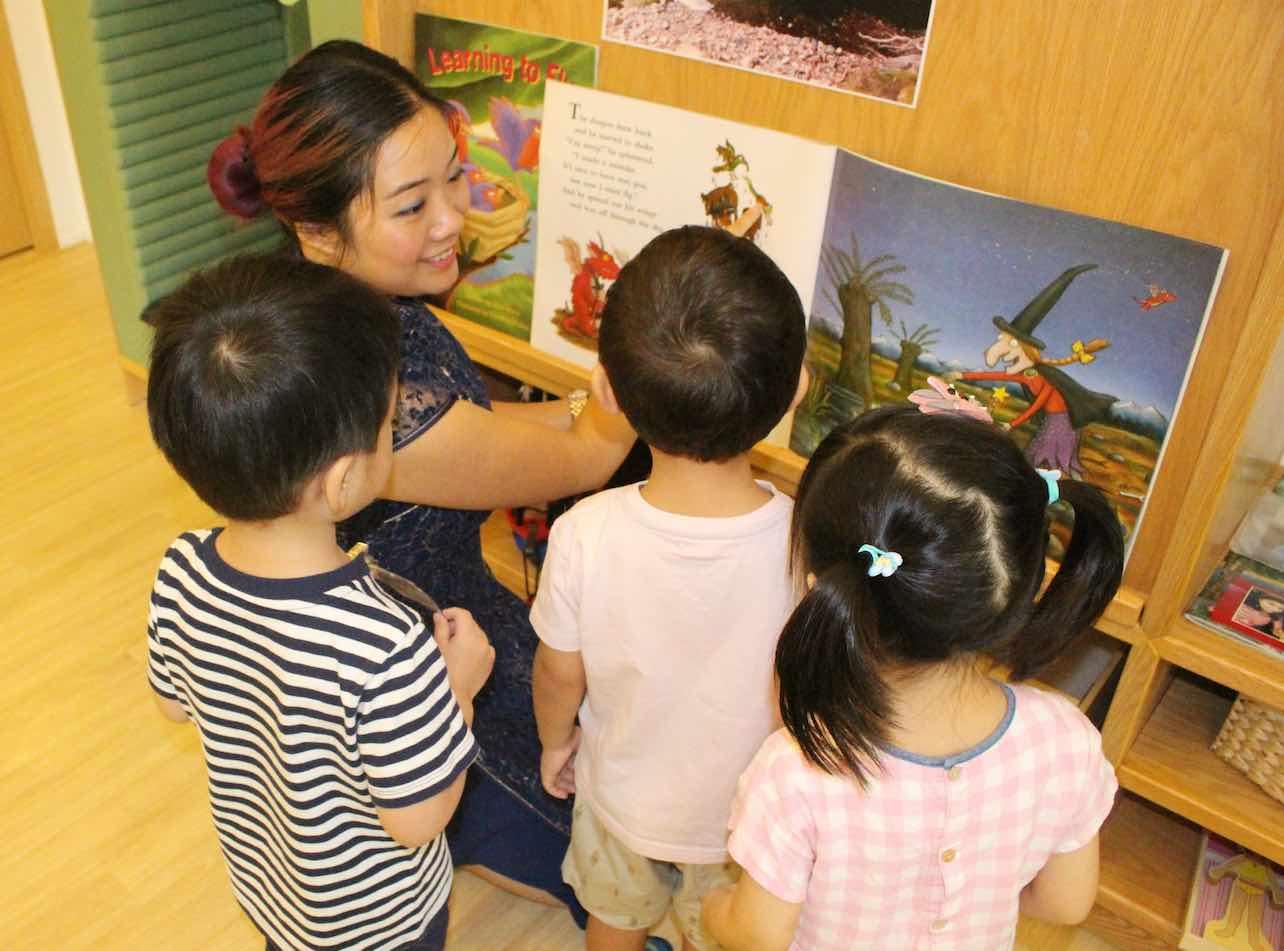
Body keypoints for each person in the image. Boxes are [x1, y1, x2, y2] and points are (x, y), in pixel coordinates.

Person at [206, 40, 637, 920]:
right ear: (318, 232)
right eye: (412, 204)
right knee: (617, 865)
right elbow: (578, 458)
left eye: (453, 175)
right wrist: (637, 395)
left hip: (446, 612)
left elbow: (471, 429)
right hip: (425, 668)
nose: (452, 217)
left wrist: (566, 412)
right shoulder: (365, 380)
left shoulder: (334, 311)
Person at [144, 255, 496, 950]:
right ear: (341, 482)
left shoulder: (180, 569)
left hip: (273, 892)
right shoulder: (386, 643)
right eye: (389, 424)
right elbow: (420, 817)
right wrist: (458, 689)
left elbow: (174, 703)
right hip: (382, 923)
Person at [702, 405, 1126, 951]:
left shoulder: (799, 769)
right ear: (1018, 591)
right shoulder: (1067, 740)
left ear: (822, 591)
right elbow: (1066, 903)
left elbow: (756, 936)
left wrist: (712, 908)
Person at [531, 225, 809, 951]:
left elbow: (560, 672)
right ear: (796, 390)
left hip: (620, 798)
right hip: (746, 825)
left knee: (614, 917)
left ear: (606, 392)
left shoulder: (583, 533)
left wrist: (554, 741)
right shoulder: (808, 546)